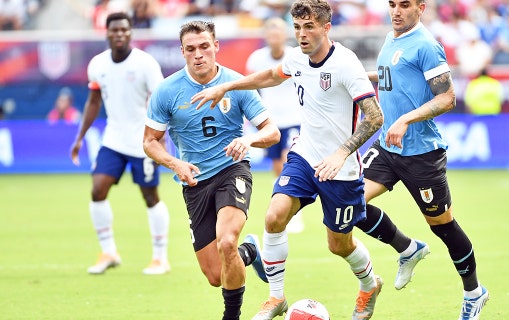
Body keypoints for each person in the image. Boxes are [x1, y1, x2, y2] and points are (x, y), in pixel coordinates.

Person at [191, 1, 385, 319]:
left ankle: (368, 285)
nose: (302, 34)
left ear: (326, 28)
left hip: (342, 168)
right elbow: (270, 75)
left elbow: (375, 118)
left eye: (309, 27)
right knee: (274, 217)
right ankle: (276, 297)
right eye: (297, 27)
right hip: (305, 155)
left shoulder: (346, 64)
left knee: (339, 245)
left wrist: (341, 153)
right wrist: (226, 85)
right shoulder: (296, 57)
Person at [143, 20, 280, 320]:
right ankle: (250, 252)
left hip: (232, 172)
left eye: (205, 46)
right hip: (195, 184)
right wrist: (175, 163)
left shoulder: (236, 83)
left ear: (216, 46)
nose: (199, 54)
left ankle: (231, 316)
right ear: (182, 52)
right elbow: (149, 142)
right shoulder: (167, 91)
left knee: (227, 240)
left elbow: (272, 132)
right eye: (190, 49)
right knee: (216, 275)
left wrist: (248, 139)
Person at [362, 0, 489, 319]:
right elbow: (388, 76)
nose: (396, 11)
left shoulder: (427, 45)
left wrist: (405, 119)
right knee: (347, 203)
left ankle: (474, 292)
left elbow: (447, 97)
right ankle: (407, 249)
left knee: (442, 227)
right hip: (389, 148)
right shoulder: (392, 38)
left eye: (404, 5)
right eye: (392, 4)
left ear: (421, 7)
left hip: (422, 154)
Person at [70, 12, 172, 276]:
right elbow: (93, 101)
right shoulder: (98, 64)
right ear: (107, 33)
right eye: (114, 30)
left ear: (130, 33)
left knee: (150, 196)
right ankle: (108, 252)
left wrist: (162, 139)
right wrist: (80, 137)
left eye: (124, 30)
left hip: (144, 141)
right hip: (113, 139)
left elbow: (161, 101)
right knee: (97, 190)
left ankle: (160, 258)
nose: (119, 34)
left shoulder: (145, 63)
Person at [245, 16, 305, 234]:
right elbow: (254, 89)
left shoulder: (295, 56)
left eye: (278, 33)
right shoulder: (256, 60)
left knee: (288, 161)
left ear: (284, 35)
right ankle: (283, 206)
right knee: (277, 168)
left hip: (294, 119)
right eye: (270, 34)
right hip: (270, 121)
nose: (274, 38)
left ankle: (296, 213)